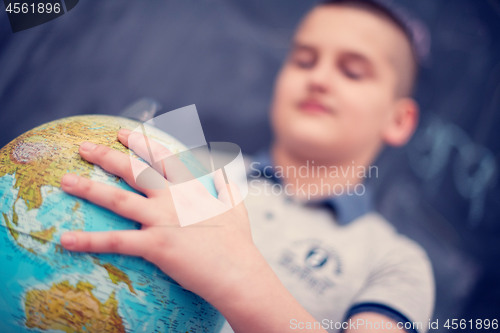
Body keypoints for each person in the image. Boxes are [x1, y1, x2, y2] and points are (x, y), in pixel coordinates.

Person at [59, 0, 434, 332]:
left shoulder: (397, 262)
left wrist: (236, 274)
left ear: (399, 120)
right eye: (303, 61)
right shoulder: (182, 167)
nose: (318, 78)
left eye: (352, 71)